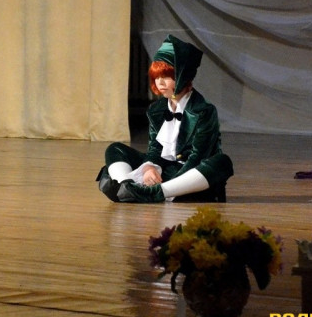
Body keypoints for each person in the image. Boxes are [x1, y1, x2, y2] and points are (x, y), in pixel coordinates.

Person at [96, 34, 233, 203]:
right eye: (156, 77)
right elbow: (154, 150)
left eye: (166, 76)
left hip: (189, 176)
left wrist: (169, 181)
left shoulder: (204, 111)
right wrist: (149, 168)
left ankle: (155, 192)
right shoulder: (156, 109)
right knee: (115, 148)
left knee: (222, 162)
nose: (159, 83)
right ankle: (126, 186)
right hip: (164, 169)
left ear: (183, 76)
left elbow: (197, 157)